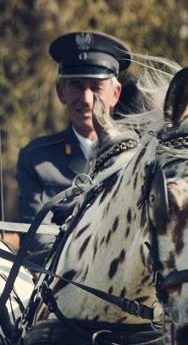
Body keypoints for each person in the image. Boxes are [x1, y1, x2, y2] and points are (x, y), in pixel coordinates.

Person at [16, 31, 132, 252]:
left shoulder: (137, 155)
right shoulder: (38, 161)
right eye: (77, 86)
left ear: (115, 94)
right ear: (61, 92)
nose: (87, 99)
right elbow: (38, 243)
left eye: (96, 87)